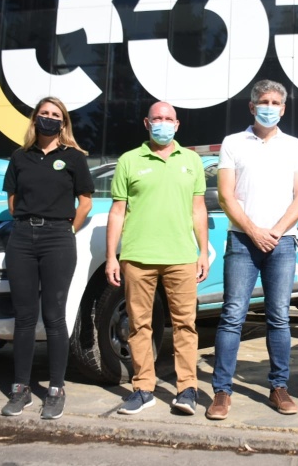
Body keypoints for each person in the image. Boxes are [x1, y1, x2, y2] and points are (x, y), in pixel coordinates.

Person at [206, 80, 298, 420]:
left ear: (284, 108)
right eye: (264, 101)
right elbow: (226, 195)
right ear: (252, 107)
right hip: (242, 241)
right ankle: (222, 391)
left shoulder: (295, 146)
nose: (269, 107)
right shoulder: (233, 143)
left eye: (276, 102)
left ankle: (279, 387)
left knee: (279, 317)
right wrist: (254, 231)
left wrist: (275, 232)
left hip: (282, 242)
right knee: (232, 315)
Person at [105, 101, 209, 416]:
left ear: (177, 124)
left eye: (168, 118)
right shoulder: (129, 160)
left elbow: (198, 209)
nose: (162, 123)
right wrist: (111, 256)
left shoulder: (191, 160)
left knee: (185, 325)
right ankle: (143, 389)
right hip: (138, 256)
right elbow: (117, 211)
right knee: (139, 326)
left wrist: (203, 252)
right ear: (146, 123)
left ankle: (187, 389)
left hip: (181, 256)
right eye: (157, 118)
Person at [1, 96, 94, 419]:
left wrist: (68, 230)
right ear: (35, 118)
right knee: (24, 317)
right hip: (22, 238)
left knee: (54, 316)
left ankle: (56, 389)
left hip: (58, 239)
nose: (49, 118)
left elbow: (85, 202)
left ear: (63, 122)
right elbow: (13, 202)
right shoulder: (19, 157)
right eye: (44, 113)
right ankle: (20, 388)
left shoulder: (73, 157)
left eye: (55, 114)